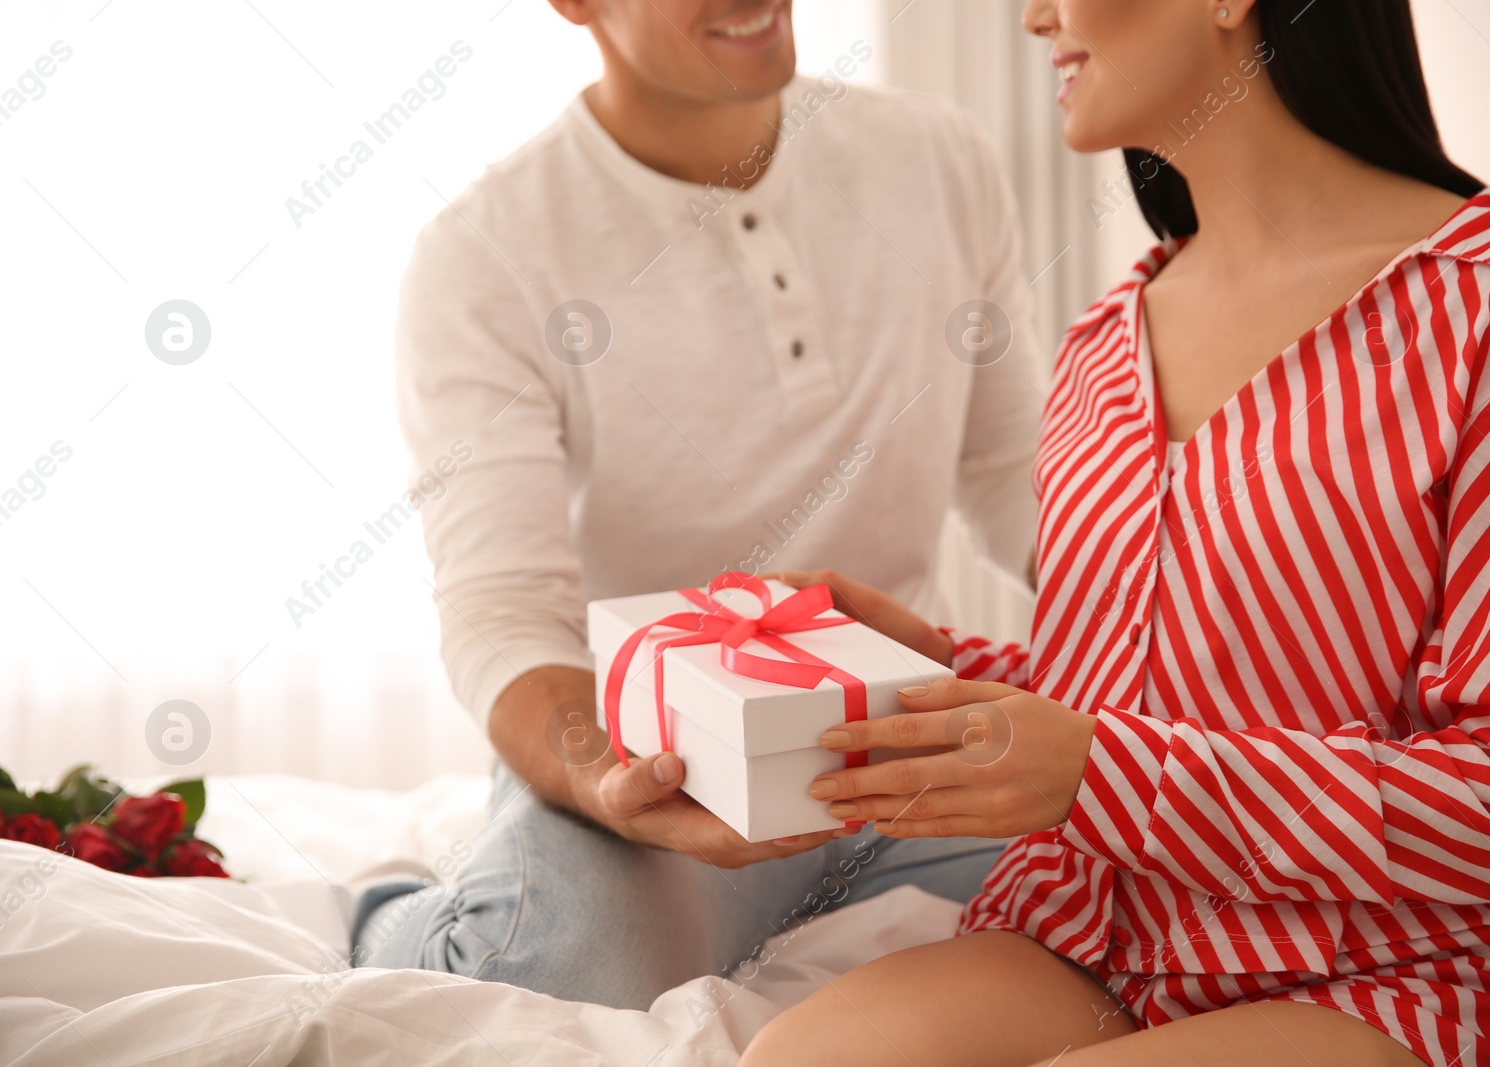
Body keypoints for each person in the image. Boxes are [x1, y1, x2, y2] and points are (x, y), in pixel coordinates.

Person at [742, 0, 1490, 1064]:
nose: (1034, 16)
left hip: (1381, 967)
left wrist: (1098, 773)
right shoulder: (1104, 336)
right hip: (1085, 931)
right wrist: (941, 667)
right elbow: (1137, 693)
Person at [349, 0, 1046, 1010]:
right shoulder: (482, 253)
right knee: (548, 973)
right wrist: (605, 783)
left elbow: (1013, 474)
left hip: (901, 733)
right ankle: (395, 909)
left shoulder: (937, 154)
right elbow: (504, 612)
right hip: (658, 761)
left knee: (1169, 885)